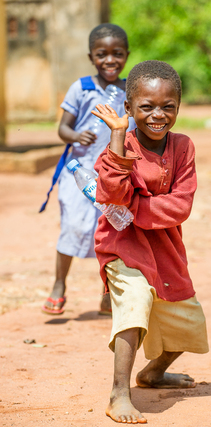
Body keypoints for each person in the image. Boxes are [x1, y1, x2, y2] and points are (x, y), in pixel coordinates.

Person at [92, 60, 209, 424]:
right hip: (121, 244)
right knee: (137, 302)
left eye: (168, 106)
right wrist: (116, 136)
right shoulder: (119, 147)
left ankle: (153, 373)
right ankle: (118, 394)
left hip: (166, 248)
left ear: (178, 106)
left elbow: (181, 205)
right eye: (147, 106)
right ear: (129, 108)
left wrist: (136, 206)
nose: (158, 115)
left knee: (187, 319)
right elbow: (111, 193)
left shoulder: (183, 147)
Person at [42, 23, 135, 315]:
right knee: (71, 226)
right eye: (102, 54)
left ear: (127, 55)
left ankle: (108, 295)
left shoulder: (128, 91)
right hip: (78, 173)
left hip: (113, 175)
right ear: (91, 57)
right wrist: (75, 136)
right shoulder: (81, 88)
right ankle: (59, 285)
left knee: (111, 234)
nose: (110, 60)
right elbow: (63, 128)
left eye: (117, 54)